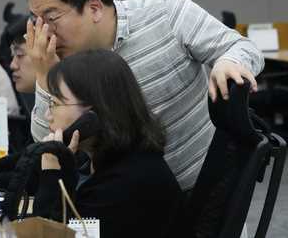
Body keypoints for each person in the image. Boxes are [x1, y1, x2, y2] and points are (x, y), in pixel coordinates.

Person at [23, 0, 265, 191]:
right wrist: (45, 75)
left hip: (206, 194)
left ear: (94, 8)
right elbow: (49, 146)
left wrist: (228, 61)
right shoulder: (61, 59)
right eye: (36, 20)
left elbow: (244, 48)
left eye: (51, 17)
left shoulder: (167, 15)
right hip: (128, 200)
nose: (43, 32)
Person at [33, 49, 182, 238]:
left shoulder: (122, 185)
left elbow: (47, 234)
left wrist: (51, 175)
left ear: (92, 116)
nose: (47, 115)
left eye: (54, 104)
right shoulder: (110, 162)